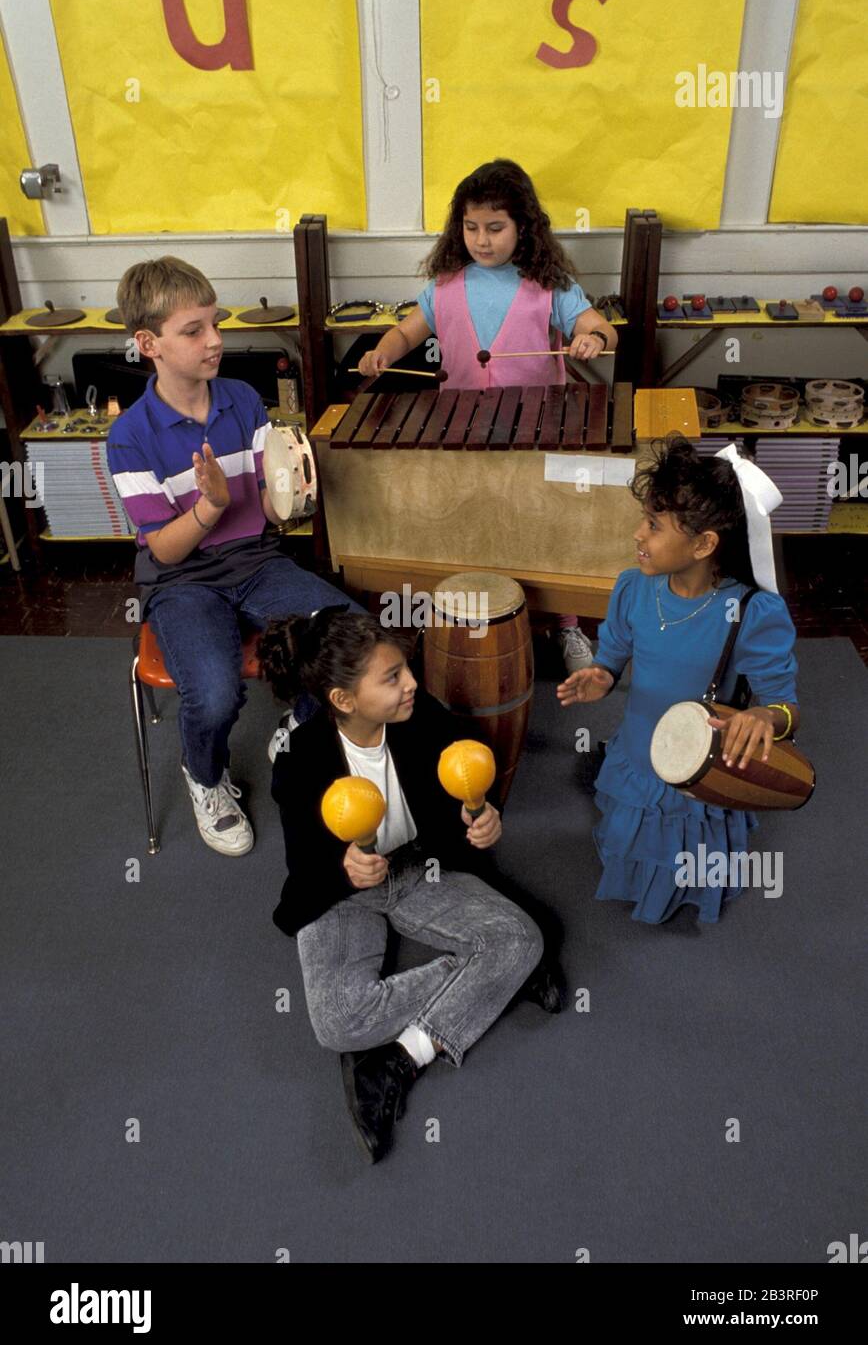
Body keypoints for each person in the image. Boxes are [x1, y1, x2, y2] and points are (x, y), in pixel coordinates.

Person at [262, 608, 555, 1164]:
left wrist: (481, 818)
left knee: (520, 939)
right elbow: (303, 866)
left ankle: (400, 1058)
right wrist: (344, 867)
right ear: (344, 700)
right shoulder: (300, 762)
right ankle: (494, 980)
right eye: (392, 677)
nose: (412, 684)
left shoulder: (422, 718)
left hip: (419, 871)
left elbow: (460, 776)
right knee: (339, 1021)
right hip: (341, 895)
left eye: (406, 669)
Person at [107, 256, 363, 856]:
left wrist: (291, 494)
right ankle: (204, 776)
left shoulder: (243, 400)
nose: (215, 340)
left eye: (215, 323)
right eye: (193, 331)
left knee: (351, 635)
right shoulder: (129, 436)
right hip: (183, 582)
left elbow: (270, 510)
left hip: (256, 561)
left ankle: (298, 722)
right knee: (216, 693)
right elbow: (165, 549)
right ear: (149, 344)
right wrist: (209, 507)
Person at [357, 157, 617, 675]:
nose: (482, 239)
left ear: (524, 227)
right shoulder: (445, 285)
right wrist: (384, 350)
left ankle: (566, 625)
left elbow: (601, 327)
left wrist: (592, 337)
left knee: (547, 524)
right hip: (463, 427)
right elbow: (409, 332)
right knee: (465, 521)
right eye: (471, 227)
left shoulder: (551, 285)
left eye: (495, 228)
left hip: (537, 428)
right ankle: (459, 617)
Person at [557, 435, 800, 925]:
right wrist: (602, 674)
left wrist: (763, 717)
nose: (637, 535)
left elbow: (785, 709)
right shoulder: (634, 588)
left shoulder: (751, 612)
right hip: (640, 745)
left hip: (699, 765)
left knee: (683, 856)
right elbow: (616, 651)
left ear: (704, 544)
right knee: (632, 827)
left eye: (653, 525)